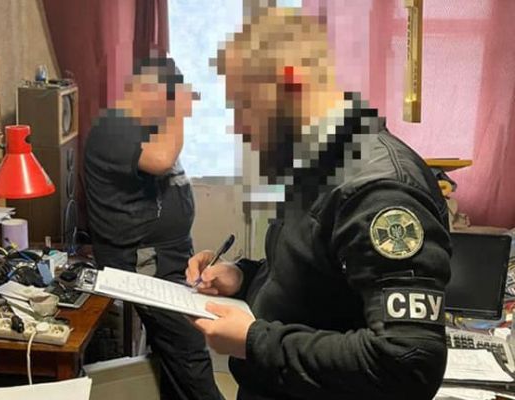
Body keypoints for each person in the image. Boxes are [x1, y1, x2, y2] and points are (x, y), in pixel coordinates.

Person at [186, 7, 451, 400]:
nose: (239, 127)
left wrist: (255, 341)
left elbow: (409, 361)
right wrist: (243, 277)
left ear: (290, 83)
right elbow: (315, 281)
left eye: (244, 105)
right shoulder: (319, 166)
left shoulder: (378, 189)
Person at [85, 56, 222, 400]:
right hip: (143, 259)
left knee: (175, 352)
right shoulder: (113, 126)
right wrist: (178, 110)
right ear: (150, 90)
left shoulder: (144, 128)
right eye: (168, 98)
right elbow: (161, 161)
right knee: (187, 346)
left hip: (167, 255)